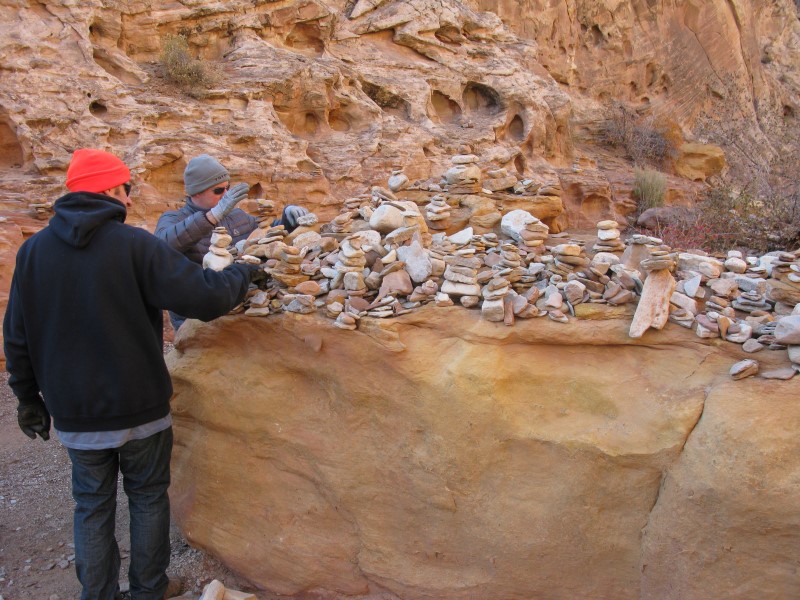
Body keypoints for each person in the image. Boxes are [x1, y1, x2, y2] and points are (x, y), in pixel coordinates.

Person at [3, 148, 261, 600]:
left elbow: (17, 337)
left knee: (91, 505)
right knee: (146, 497)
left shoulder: (33, 252)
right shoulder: (134, 245)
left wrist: (28, 399)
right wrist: (243, 275)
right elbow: (203, 297)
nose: (129, 198)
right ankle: (149, 590)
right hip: (140, 406)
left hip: (75, 413)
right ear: (110, 188)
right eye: (126, 189)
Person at [154, 154, 307, 330]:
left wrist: (288, 219)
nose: (226, 195)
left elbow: (264, 236)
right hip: (197, 315)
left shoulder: (237, 215)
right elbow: (162, 246)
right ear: (196, 191)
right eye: (218, 190)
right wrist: (212, 216)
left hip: (238, 306)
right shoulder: (173, 218)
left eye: (228, 188)